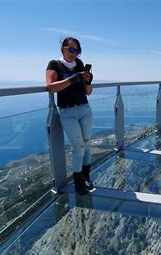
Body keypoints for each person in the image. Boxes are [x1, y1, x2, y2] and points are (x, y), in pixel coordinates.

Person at [45, 37, 94, 195]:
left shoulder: (80, 65)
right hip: (67, 111)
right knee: (79, 146)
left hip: (84, 108)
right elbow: (51, 87)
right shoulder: (54, 64)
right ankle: (77, 182)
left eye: (77, 50)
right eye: (71, 49)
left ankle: (86, 178)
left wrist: (88, 80)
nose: (75, 53)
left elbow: (88, 92)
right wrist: (72, 79)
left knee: (86, 144)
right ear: (63, 49)